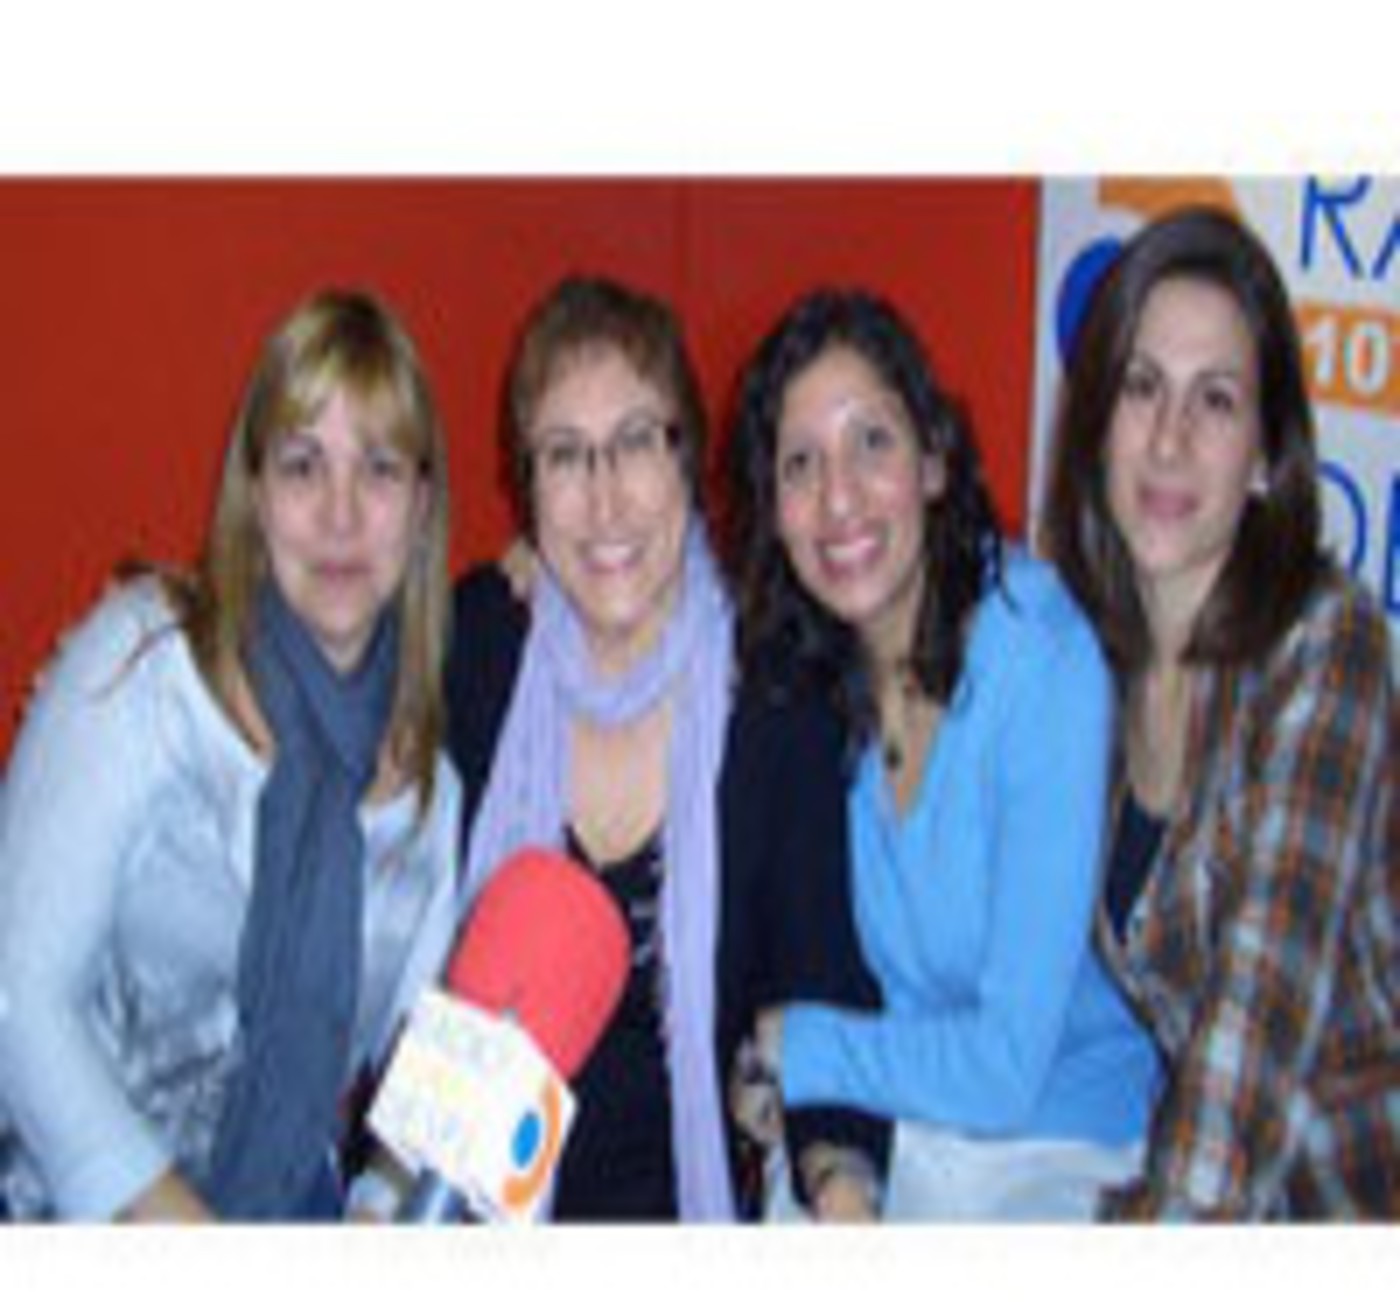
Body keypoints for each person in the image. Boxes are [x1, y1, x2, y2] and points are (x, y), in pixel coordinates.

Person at [0, 289, 461, 1222]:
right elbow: (18, 994)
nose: (340, 515)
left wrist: (381, 1209)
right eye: (302, 465)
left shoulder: (429, 795)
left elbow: (419, 1093)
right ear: (253, 495)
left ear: (420, 507)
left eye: (378, 469)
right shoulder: (144, 669)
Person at [444, 274, 887, 1222]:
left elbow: (821, 981)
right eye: (566, 455)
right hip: (469, 1204)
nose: (605, 501)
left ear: (689, 461)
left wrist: (842, 1186)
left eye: (637, 442)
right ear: (528, 490)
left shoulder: (774, 697)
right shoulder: (476, 648)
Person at [726, 287, 1162, 1221]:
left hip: (1064, 1145)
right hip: (908, 1114)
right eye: (801, 463)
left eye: (871, 442)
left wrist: (799, 1047)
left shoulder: (1037, 654)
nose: (838, 496)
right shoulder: (809, 672)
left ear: (933, 458)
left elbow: (1006, 1069)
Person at [1043, 205, 1398, 1219]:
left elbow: (1246, 1044)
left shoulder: (1327, 647)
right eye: (1141, 387)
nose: (1167, 439)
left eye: (1215, 399)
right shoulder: (1092, 660)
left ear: (1265, 456)